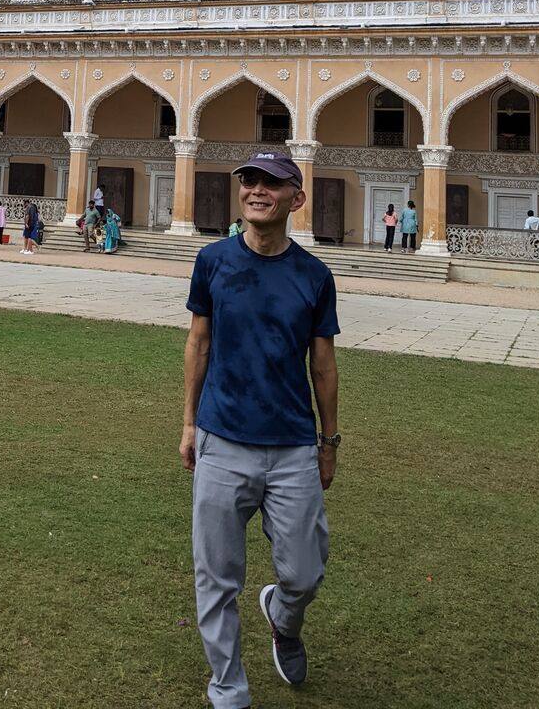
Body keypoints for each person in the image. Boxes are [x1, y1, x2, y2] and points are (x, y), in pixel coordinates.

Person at [181, 152, 340, 708]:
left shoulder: (314, 276)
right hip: (222, 441)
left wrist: (329, 440)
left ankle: (283, 617)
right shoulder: (213, 262)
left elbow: (323, 364)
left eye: (272, 183)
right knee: (216, 577)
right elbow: (198, 344)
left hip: (293, 445)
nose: (256, 190)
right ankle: (228, 689)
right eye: (249, 180)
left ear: (296, 198)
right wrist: (188, 422)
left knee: (305, 572)